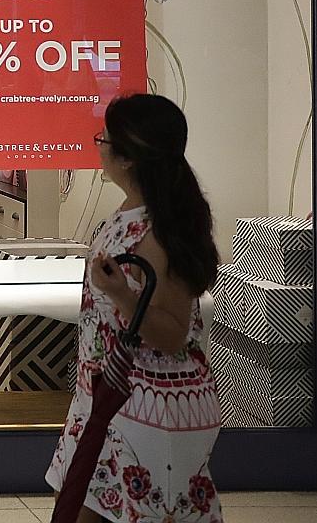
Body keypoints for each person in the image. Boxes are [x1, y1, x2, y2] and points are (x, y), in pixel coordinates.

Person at [47, 93, 223, 523]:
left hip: (144, 407)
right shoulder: (134, 211)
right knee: (75, 505)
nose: (99, 147)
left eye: (103, 139)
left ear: (127, 158)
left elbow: (172, 332)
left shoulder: (162, 229)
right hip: (106, 395)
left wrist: (123, 294)